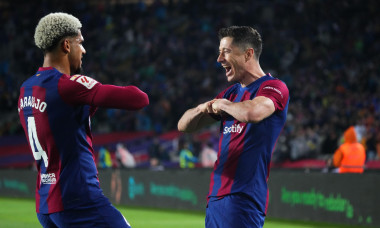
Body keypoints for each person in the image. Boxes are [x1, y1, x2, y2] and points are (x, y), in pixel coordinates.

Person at [17, 12, 149, 228]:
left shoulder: (26, 89)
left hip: (45, 204)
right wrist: (89, 85)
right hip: (78, 200)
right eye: (80, 42)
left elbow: (62, 124)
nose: (84, 50)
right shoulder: (68, 86)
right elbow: (139, 99)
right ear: (66, 45)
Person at [178, 26, 289, 228]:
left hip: (243, 197)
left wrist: (222, 104)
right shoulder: (230, 93)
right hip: (215, 198)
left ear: (248, 54)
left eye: (226, 51)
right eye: (219, 52)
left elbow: (252, 113)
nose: (219, 59)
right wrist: (202, 109)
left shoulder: (274, 87)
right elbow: (184, 125)